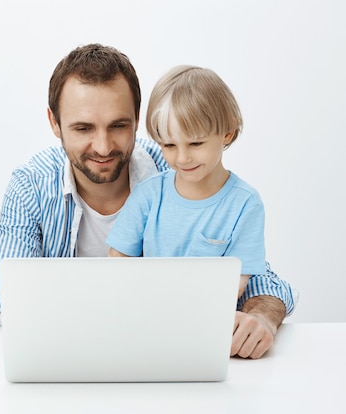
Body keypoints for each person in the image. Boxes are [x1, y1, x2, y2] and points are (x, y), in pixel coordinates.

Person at [0, 43, 297, 359]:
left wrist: (261, 318)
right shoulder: (32, 184)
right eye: (83, 128)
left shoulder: (177, 166)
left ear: (137, 118)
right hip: (70, 357)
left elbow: (260, 279)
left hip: (162, 357)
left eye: (118, 126)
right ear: (54, 122)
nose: (103, 147)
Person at [107, 65, 264, 300]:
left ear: (227, 133)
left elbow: (238, 282)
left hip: (207, 320)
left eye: (195, 144)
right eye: (169, 145)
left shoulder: (245, 205)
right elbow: (117, 262)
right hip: (146, 315)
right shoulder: (148, 195)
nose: (182, 158)